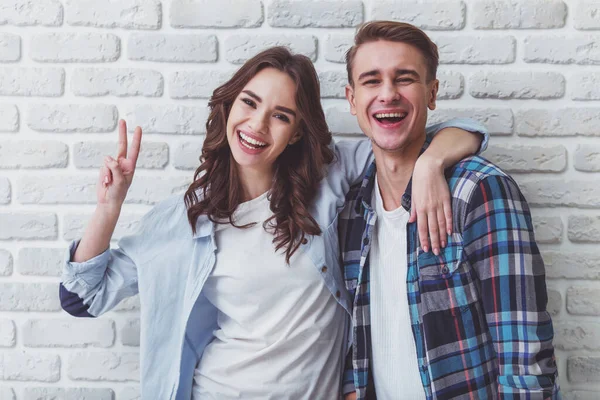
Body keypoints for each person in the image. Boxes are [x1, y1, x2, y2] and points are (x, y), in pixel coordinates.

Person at [59, 46, 488, 399]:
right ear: (229, 106)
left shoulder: (329, 179)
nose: (258, 125)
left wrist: (431, 164)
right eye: (249, 103)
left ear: (297, 132)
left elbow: (458, 132)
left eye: (281, 115)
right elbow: (82, 297)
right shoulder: (185, 218)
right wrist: (110, 206)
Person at [339, 21, 559, 400]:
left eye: (404, 78)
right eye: (371, 80)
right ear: (352, 98)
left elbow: (525, 356)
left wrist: (431, 163)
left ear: (432, 93)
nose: (387, 94)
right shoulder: (352, 208)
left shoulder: (480, 191)